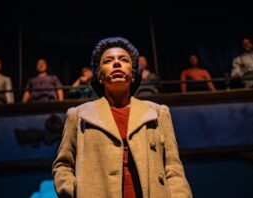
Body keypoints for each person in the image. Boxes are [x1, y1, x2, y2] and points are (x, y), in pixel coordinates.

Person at [52, 37, 192, 198]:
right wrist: (73, 190)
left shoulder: (158, 113)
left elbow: (173, 167)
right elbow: (63, 164)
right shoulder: (78, 115)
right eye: (108, 60)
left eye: (123, 59)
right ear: (99, 76)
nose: (116, 63)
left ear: (133, 74)